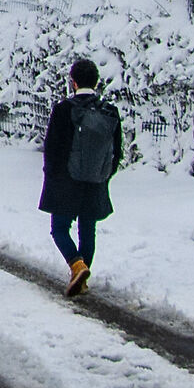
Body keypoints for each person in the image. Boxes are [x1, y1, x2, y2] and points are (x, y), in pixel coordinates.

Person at [39, 56, 123, 296]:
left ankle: (77, 266)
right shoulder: (109, 112)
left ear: (73, 82)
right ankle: (81, 279)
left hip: (66, 181)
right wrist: (104, 175)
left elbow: (52, 148)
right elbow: (117, 150)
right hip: (95, 181)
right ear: (96, 83)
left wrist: (52, 176)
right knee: (88, 230)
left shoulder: (64, 109)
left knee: (59, 229)